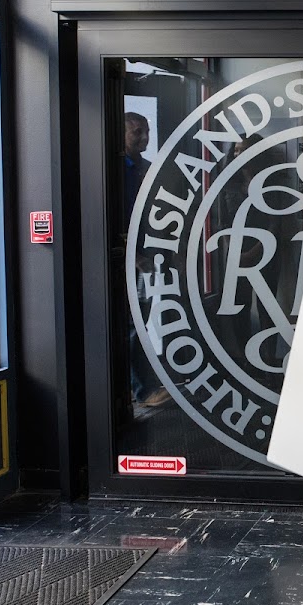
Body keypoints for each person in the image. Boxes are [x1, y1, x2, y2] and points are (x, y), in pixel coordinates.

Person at [124, 112, 170, 409]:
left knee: (139, 322)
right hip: (128, 263)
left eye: (147, 131)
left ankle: (141, 387)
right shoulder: (113, 170)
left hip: (146, 261)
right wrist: (134, 256)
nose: (144, 137)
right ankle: (142, 390)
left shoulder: (147, 169)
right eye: (136, 132)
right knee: (132, 326)